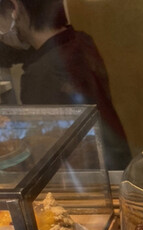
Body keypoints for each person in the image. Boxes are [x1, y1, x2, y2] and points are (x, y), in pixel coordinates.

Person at [0, 0, 131, 170]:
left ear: (14, 8)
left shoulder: (41, 74)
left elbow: (46, 153)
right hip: (117, 159)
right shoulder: (79, 40)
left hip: (89, 173)